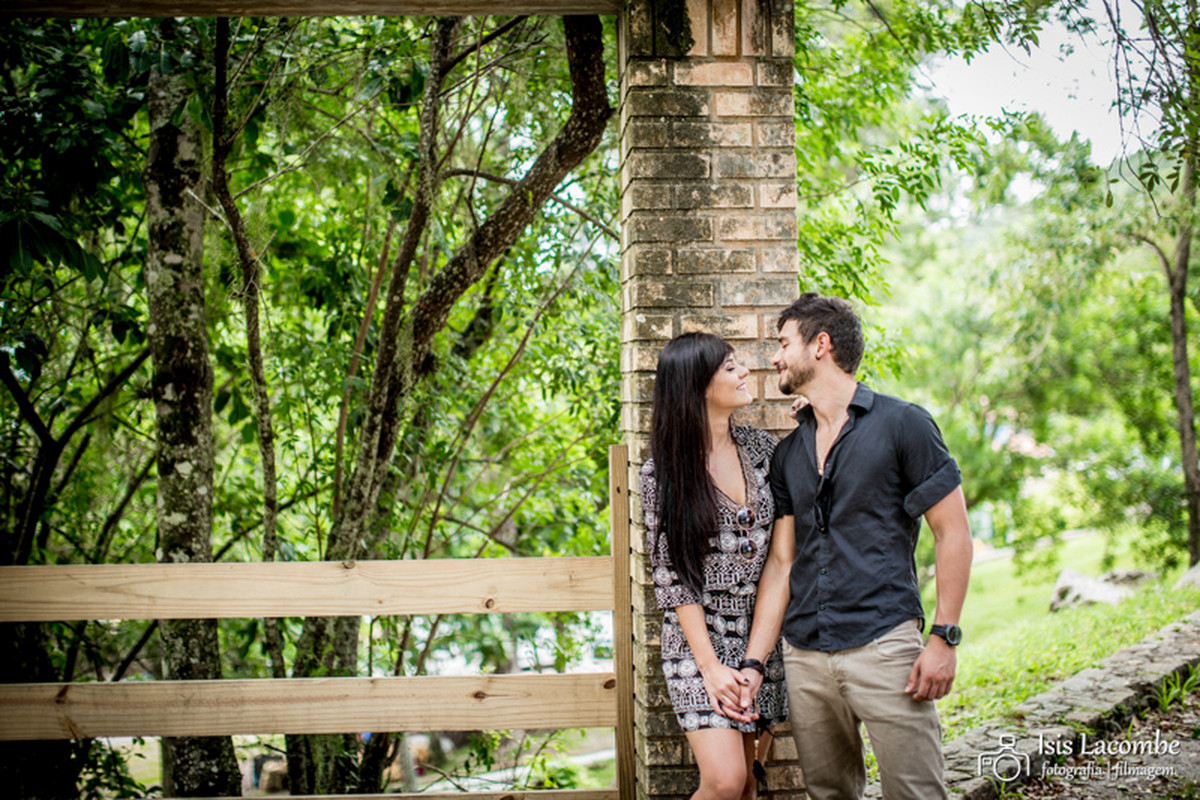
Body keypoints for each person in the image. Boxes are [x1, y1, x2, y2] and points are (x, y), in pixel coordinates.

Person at [739, 293, 973, 800]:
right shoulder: (788, 453)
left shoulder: (903, 424)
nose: (775, 358)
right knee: (828, 793)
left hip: (885, 645)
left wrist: (944, 637)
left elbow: (952, 531)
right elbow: (782, 564)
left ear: (821, 344)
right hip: (805, 657)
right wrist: (757, 663)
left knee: (916, 792)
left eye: (783, 344)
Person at [641, 332, 788, 800]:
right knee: (724, 782)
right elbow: (672, 578)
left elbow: (778, 563)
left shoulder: (764, 453)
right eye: (730, 367)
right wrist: (710, 667)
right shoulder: (662, 473)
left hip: (761, 637)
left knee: (747, 785)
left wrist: (754, 663)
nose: (744, 372)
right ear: (696, 386)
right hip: (698, 642)